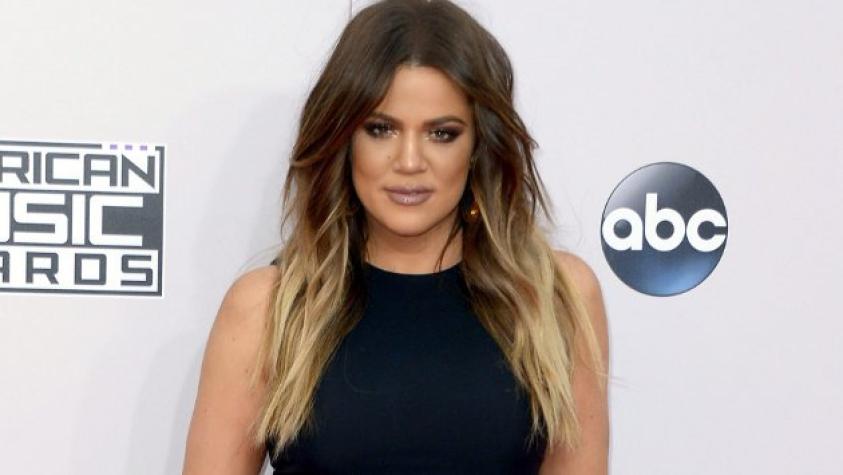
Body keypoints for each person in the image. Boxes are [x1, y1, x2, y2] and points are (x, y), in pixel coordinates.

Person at [182, 0, 610, 473]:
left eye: (441, 134)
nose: (409, 161)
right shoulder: (269, 308)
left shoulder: (555, 298)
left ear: (478, 146)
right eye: (381, 129)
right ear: (343, 139)